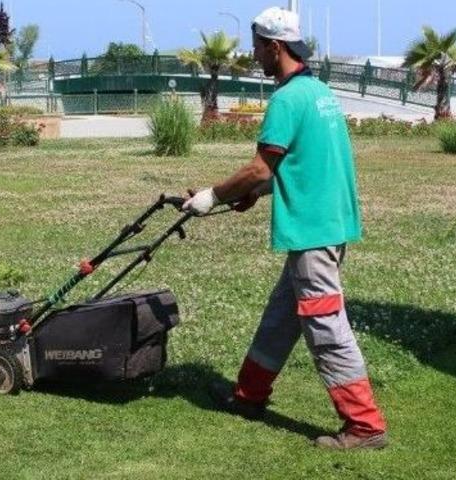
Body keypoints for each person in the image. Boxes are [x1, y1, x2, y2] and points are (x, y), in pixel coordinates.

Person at [181, 6, 387, 450]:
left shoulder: (287, 99)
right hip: (328, 223)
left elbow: (260, 167)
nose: (254, 55)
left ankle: (365, 426)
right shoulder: (319, 92)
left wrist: (213, 196)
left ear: (276, 47)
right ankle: (248, 396)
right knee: (281, 317)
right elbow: (304, 166)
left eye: (257, 47)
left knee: (325, 326)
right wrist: (256, 193)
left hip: (313, 232)